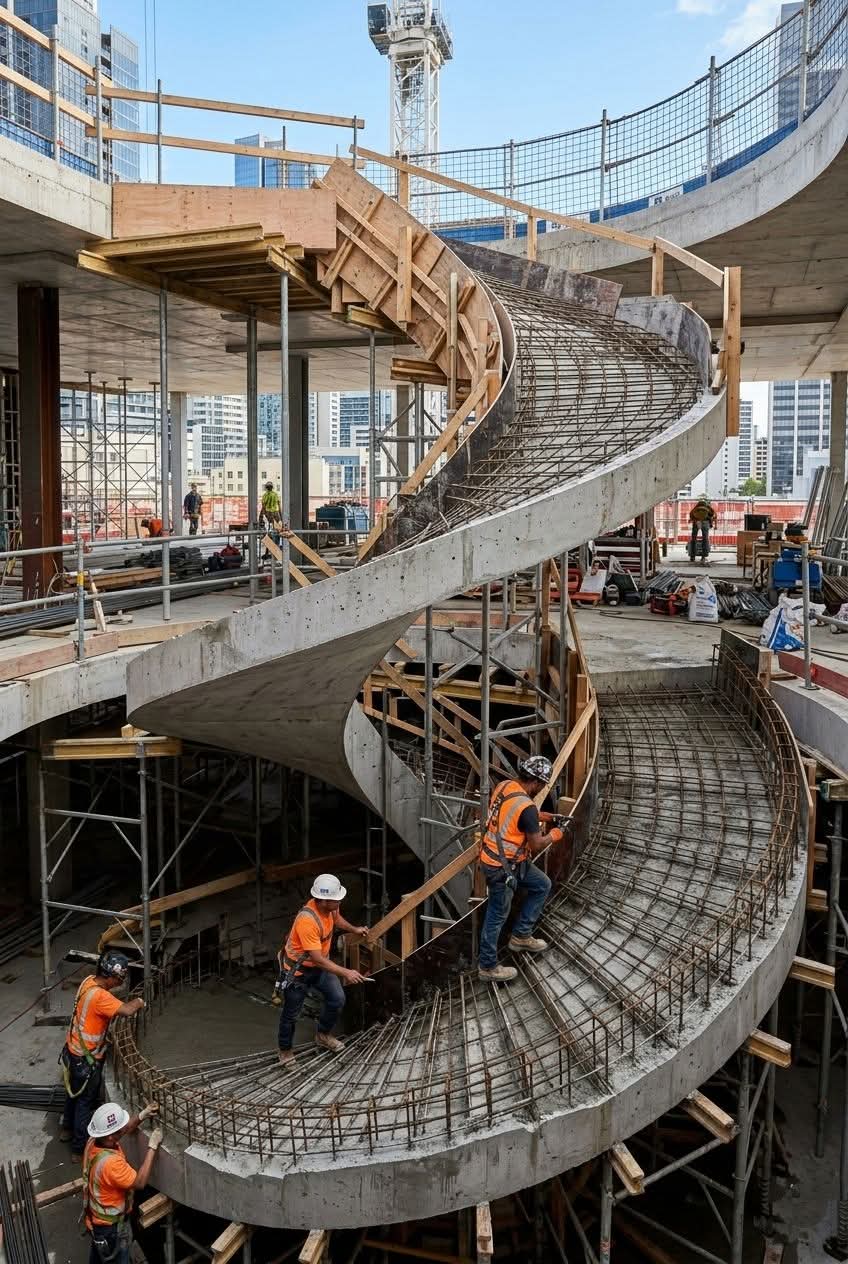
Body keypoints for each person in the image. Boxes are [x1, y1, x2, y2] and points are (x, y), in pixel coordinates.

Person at [477, 755, 569, 983]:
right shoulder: (526, 806)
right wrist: (555, 834)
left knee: (542, 885)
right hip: (503, 868)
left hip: (498, 859)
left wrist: (543, 816)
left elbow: (511, 811)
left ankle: (521, 936)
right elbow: (537, 844)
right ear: (537, 782)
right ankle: (487, 967)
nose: (541, 789)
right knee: (496, 916)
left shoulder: (504, 785)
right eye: (542, 785)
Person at [276, 874, 369, 1070]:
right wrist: (346, 972)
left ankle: (323, 1035)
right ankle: (285, 1052)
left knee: (337, 999)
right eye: (336, 900)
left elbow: (338, 920)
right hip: (298, 973)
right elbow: (317, 958)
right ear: (323, 900)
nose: (340, 901)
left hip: (319, 968)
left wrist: (354, 929)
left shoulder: (330, 907)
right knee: (291, 1015)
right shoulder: (307, 921)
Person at [59, 951, 145, 1159]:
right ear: (111, 976)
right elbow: (125, 1010)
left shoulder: (88, 982)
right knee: (85, 1103)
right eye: (119, 979)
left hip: (72, 1051)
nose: (119, 983)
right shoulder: (101, 997)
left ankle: (66, 1129)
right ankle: (78, 1149)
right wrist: (140, 1001)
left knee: (73, 1095)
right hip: (86, 1060)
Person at [82, 1100, 161, 1264]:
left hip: (96, 1222)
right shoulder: (111, 1164)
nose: (123, 1130)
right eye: (119, 1128)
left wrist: (142, 1115)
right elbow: (140, 1182)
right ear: (111, 1136)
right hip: (111, 1229)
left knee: (98, 1257)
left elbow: (122, 1131)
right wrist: (152, 1146)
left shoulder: (94, 1141)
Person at [689, 496, 717, 564]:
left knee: (693, 539)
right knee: (705, 539)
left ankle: (692, 556)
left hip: (696, 522)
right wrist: (713, 523)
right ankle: (704, 556)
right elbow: (714, 515)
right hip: (705, 522)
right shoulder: (708, 507)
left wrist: (694, 520)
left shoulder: (696, 507)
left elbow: (691, 514)